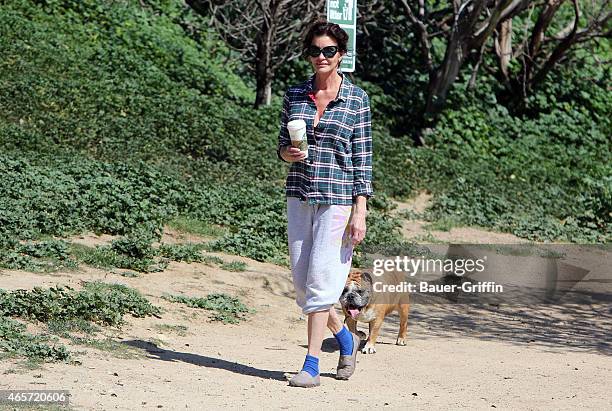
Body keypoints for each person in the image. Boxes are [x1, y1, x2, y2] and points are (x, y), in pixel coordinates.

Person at [277, 20, 373, 388]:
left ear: (341, 55)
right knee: (304, 289)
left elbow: (363, 158)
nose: (321, 56)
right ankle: (347, 340)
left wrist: (360, 209)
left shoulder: (357, 100)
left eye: (329, 51)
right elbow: (281, 147)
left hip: (338, 202)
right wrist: (288, 152)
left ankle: (311, 365)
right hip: (300, 195)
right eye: (315, 50)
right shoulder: (295, 96)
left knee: (320, 282)